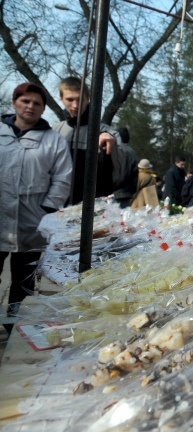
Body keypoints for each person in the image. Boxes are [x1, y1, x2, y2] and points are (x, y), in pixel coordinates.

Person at [0, 83, 72, 332]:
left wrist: (46, 211)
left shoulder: (53, 140)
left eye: (37, 103)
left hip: (32, 223)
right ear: (14, 103)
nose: (30, 106)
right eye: (25, 101)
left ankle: (13, 328)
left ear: (43, 109)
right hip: (0, 218)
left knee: (24, 281)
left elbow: (63, 178)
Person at [52, 76, 127, 205]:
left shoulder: (109, 132)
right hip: (59, 204)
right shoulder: (54, 132)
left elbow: (120, 172)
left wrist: (111, 147)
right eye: (70, 100)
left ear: (88, 98)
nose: (75, 105)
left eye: (80, 99)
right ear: (61, 99)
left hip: (94, 207)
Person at [113, 127, 139, 208]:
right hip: (126, 193)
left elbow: (122, 174)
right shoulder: (130, 150)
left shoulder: (123, 151)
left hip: (120, 194)